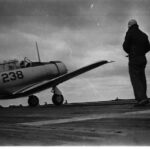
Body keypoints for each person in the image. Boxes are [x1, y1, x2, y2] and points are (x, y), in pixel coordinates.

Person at [123, 19, 150, 106]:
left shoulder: (130, 32)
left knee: (135, 79)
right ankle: (144, 97)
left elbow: (125, 46)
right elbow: (148, 47)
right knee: (142, 78)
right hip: (143, 58)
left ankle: (141, 99)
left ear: (129, 26)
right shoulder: (144, 35)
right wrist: (140, 52)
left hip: (134, 59)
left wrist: (131, 52)